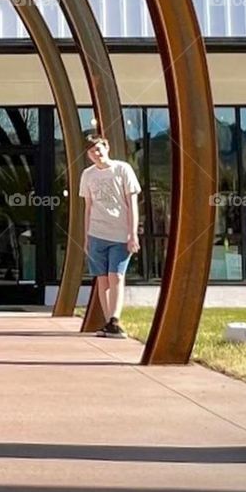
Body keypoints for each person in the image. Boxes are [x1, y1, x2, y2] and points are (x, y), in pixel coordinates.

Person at [79, 133, 141, 338]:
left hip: (120, 234)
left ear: (106, 147)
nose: (96, 153)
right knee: (102, 279)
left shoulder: (122, 169)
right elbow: (88, 207)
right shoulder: (87, 175)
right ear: (88, 155)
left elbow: (132, 203)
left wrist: (132, 234)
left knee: (117, 275)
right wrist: (86, 235)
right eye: (91, 151)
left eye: (98, 148)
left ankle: (115, 318)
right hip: (97, 233)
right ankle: (109, 323)